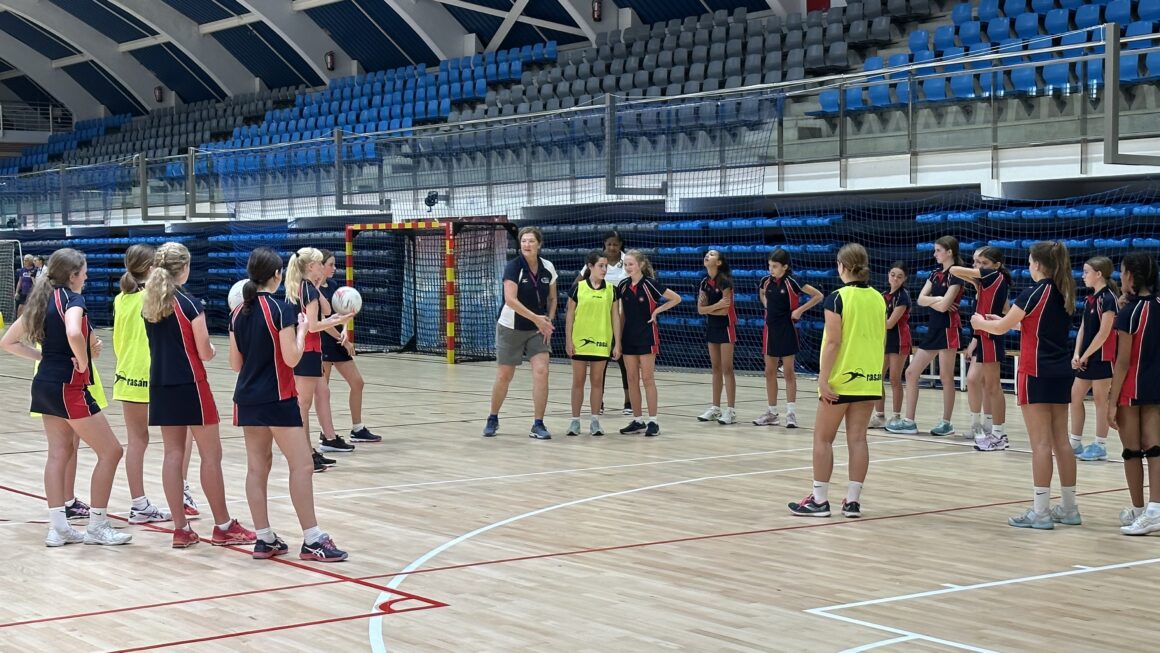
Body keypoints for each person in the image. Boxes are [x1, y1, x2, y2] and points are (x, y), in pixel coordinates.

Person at [0, 248, 131, 547]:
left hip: (44, 382)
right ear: (73, 275)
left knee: (58, 453)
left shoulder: (40, 300)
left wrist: (42, 356)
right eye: (84, 271)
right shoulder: (73, 300)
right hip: (68, 386)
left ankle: (58, 527)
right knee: (111, 451)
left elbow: (7, 341)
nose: (86, 276)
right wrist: (83, 361)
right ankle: (98, 525)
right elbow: (73, 331)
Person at [230, 247, 348, 562]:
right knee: (303, 465)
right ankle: (312, 539)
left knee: (257, 468)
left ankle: (264, 538)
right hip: (278, 398)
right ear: (278, 275)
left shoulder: (238, 311)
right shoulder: (280, 310)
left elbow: (234, 363)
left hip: (247, 399)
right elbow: (292, 358)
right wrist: (302, 331)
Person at [143, 242, 256, 548]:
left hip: (161, 385)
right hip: (191, 384)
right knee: (211, 456)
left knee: (172, 454)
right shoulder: (190, 304)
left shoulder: (150, 302)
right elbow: (204, 352)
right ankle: (222, 526)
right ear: (185, 268)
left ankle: (180, 529)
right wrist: (215, 349)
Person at [973, 241, 1078, 530]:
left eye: (1031, 261)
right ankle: (1069, 508)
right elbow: (1030, 324)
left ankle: (1041, 512)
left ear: (1039, 265)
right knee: (1062, 442)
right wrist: (1003, 321)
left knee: (1041, 445)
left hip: (1035, 372)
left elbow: (999, 328)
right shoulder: (1064, 291)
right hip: (1060, 371)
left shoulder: (1034, 291)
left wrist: (980, 323)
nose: (1029, 266)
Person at [788, 244, 885, 518]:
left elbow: (833, 341)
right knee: (858, 440)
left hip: (841, 379)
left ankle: (819, 500)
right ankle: (852, 502)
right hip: (869, 378)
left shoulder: (837, 298)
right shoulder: (879, 298)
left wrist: (823, 379)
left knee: (823, 439)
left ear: (842, 266)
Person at [112, 243, 171, 525]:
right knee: (178, 441)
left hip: (125, 375)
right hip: (153, 375)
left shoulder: (120, 298)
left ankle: (139, 504)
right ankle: (180, 494)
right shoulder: (154, 297)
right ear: (150, 269)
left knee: (137, 442)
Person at [484, 226, 558, 440]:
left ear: (539, 244)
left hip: (538, 329)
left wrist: (549, 321)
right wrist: (537, 319)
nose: (527, 245)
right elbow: (510, 300)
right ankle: (493, 417)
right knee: (505, 375)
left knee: (542, 372)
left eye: (531, 241)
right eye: (524, 241)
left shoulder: (548, 267)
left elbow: (552, 298)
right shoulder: (513, 267)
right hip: (511, 327)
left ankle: (538, 423)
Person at [888, 236, 965, 437]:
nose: (934, 254)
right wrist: (938, 299)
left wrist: (939, 301)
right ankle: (909, 421)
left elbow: (945, 306)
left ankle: (946, 423)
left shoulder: (957, 274)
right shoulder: (934, 274)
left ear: (949, 252)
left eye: (938, 250)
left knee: (945, 376)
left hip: (949, 328)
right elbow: (921, 300)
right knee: (911, 373)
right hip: (934, 327)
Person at [285, 247, 353, 471]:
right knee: (302, 406)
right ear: (311, 266)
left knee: (306, 403)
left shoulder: (305, 288)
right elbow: (314, 326)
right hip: (308, 351)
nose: (323, 267)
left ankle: (309, 452)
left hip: (310, 351)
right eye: (319, 264)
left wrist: (318, 285)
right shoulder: (307, 290)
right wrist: (338, 319)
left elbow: (325, 309)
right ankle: (305, 455)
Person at [1108, 252, 1160, 535]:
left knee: (1131, 452)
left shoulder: (1129, 314)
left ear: (1131, 276)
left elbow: (1123, 362)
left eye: (1123, 271)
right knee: (1154, 448)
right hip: (1156, 386)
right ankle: (1153, 510)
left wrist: (1111, 402)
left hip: (1133, 386)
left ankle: (1141, 510)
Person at [314, 250, 380, 445]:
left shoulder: (334, 287)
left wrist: (345, 330)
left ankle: (357, 428)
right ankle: (325, 433)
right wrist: (343, 338)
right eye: (331, 265)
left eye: (335, 265)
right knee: (322, 392)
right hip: (323, 343)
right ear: (320, 266)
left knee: (357, 382)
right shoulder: (313, 291)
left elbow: (342, 313)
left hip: (338, 342)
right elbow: (322, 322)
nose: (334, 268)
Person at [753, 249, 823, 428]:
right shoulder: (765, 281)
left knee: (789, 372)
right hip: (770, 330)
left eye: (775, 266)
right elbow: (762, 293)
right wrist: (766, 305)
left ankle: (791, 413)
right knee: (769, 371)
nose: (771, 269)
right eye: (769, 266)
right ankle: (772, 413)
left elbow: (818, 296)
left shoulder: (793, 281)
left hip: (787, 329)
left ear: (785, 266)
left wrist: (800, 310)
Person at [950, 246, 1011, 451]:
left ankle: (999, 433)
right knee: (984, 384)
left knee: (993, 387)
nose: (978, 266)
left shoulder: (994, 276)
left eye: (983, 263)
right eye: (976, 262)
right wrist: (975, 281)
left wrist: (974, 275)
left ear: (996, 265)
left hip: (992, 333)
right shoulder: (987, 282)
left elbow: (953, 270)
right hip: (983, 334)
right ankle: (987, 428)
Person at [617, 249, 682, 436]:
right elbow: (622, 314)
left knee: (647, 378)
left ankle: (653, 421)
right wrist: (619, 340)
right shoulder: (623, 285)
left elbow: (676, 298)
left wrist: (657, 311)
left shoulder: (650, 284)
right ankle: (638, 420)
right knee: (631, 379)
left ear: (641, 265)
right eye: (626, 264)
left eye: (631, 264)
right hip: (628, 337)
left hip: (647, 335)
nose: (628, 267)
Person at [565, 250, 621, 437]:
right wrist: (568, 340)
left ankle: (595, 421)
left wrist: (617, 343)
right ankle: (575, 421)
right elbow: (570, 316)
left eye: (606, 266)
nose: (604, 269)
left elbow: (615, 318)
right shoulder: (578, 288)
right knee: (578, 382)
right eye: (600, 266)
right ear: (590, 267)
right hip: (580, 341)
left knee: (597, 382)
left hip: (601, 342)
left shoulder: (612, 290)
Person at [1071, 256, 1119, 462]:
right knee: (1075, 396)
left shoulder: (1109, 299)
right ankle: (1075, 442)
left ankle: (1100, 445)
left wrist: (1086, 355)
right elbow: (1083, 327)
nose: (1083, 276)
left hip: (1101, 357)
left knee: (1100, 401)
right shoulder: (1090, 298)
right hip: (1086, 357)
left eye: (1086, 272)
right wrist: (1076, 353)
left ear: (1099, 274)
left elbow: (1104, 333)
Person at [696, 249, 738, 425]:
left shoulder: (725, 282)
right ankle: (715, 408)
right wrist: (714, 306)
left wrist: (710, 308)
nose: (708, 255)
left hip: (726, 326)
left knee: (727, 368)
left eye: (712, 254)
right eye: (707, 254)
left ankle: (731, 410)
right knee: (715, 368)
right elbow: (700, 310)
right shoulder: (704, 282)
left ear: (719, 262)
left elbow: (724, 311)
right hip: (712, 327)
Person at [595, 231, 631, 415]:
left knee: (625, 362)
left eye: (615, 244)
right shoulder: (597, 262)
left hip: (624, 318)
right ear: (604, 244)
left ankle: (629, 402)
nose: (612, 248)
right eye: (609, 244)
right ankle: (598, 401)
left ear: (620, 245)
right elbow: (579, 284)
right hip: (601, 320)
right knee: (600, 363)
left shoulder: (627, 263)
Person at [871, 262, 911, 429]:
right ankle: (879, 416)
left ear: (905, 279)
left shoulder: (903, 296)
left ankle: (896, 416)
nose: (895, 278)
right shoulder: (882, 295)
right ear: (888, 275)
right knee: (877, 377)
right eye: (893, 274)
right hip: (884, 340)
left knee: (894, 378)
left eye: (899, 276)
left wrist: (871, 321)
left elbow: (889, 323)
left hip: (899, 339)